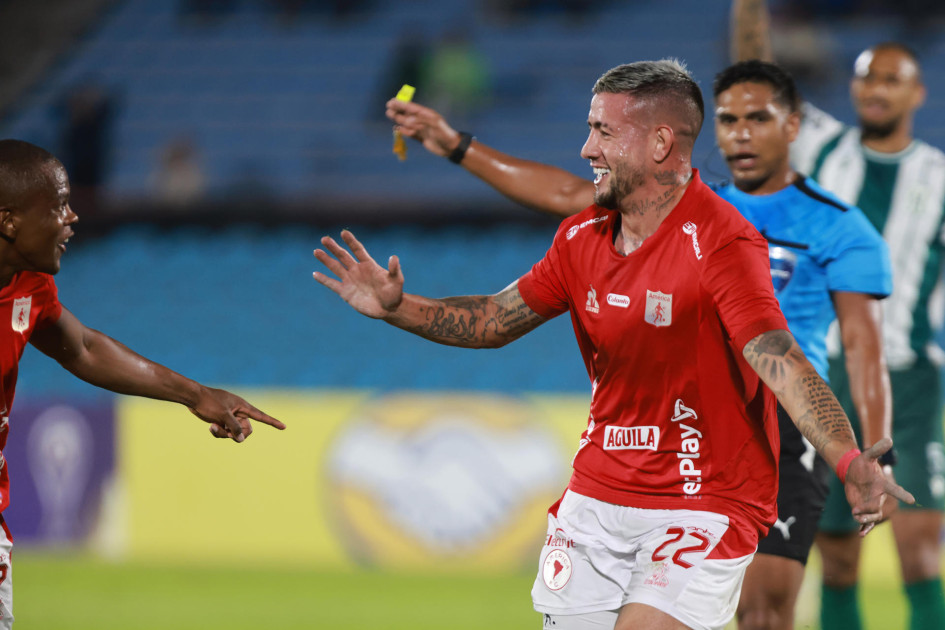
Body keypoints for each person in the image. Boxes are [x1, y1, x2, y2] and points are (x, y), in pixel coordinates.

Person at [318, 60, 910, 630]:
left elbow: (781, 363)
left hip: (703, 499)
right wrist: (399, 308)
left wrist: (848, 458)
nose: (586, 149)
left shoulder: (724, 243)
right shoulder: (580, 236)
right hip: (598, 498)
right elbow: (495, 320)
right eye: (589, 129)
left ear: (658, 144)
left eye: (603, 131)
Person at [0, 139, 286, 627]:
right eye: (58, 207)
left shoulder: (29, 286)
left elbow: (84, 348)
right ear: (9, 221)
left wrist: (197, 395)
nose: (71, 219)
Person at [731, 2, 945, 629]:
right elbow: (757, 71)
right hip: (824, 375)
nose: (876, 89)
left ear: (916, 92)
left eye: (890, 79)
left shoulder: (938, 177)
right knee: (839, 556)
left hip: (907, 376)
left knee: (921, 548)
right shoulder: (820, 146)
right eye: (867, 77)